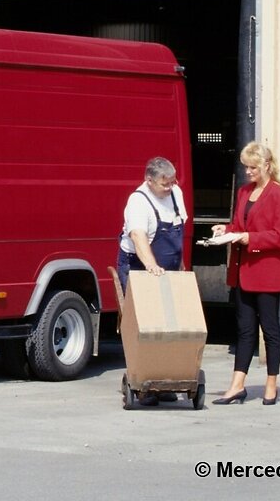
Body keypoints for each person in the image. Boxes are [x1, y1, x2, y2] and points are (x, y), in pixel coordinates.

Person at [211, 142, 280, 406]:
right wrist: (225, 230)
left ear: (266, 166)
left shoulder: (278, 195)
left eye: (253, 167)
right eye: (245, 167)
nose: (248, 172)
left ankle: (272, 382)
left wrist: (249, 238)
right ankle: (237, 385)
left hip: (268, 272)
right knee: (244, 329)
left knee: (269, 329)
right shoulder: (245, 192)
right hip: (244, 270)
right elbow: (239, 225)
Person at [115, 157, 188, 405]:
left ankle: (165, 381)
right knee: (145, 325)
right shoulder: (138, 202)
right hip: (139, 266)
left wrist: (179, 265)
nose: (169, 187)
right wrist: (151, 267)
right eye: (164, 184)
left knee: (170, 324)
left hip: (169, 268)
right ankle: (144, 382)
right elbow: (138, 237)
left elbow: (180, 230)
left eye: (172, 182)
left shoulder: (176, 192)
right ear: (149, 180)